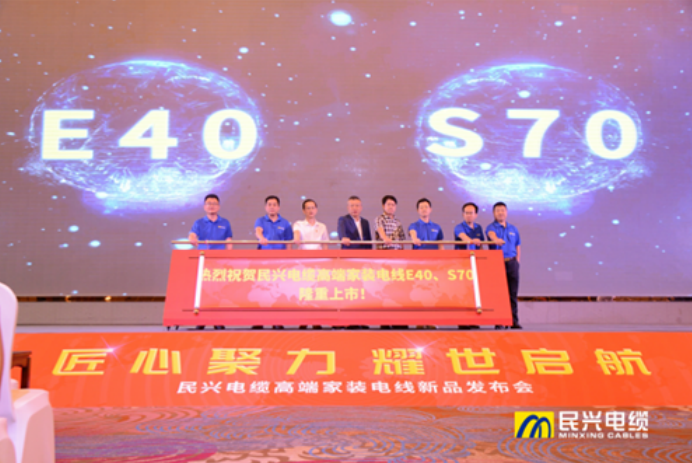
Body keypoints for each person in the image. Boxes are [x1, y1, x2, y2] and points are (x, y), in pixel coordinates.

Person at [188, 193, 232, 330]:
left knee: (218, 290)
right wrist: (192, 238)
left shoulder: (225, 223)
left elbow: (229, 241)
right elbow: (192, 234)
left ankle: (218, 320)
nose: (211, 206)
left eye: (214, 203)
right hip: (204, 261)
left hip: (219, 262)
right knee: (203, 290)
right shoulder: (199, 222)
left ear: (218, 206)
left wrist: (229, 258)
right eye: (209, 203)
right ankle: (201, 320)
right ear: (204, 206)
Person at [254, 195, 293, 329]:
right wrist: (261, 238)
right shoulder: (260, 220)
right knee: (261, 291)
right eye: (269, 204)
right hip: (263, 262)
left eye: (274, 204)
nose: (272, 207)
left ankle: (277, 321)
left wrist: (289, 260)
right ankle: (258, 322)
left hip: (280, 263)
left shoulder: (285, 223)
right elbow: (258, 231)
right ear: (266, 207)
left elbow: (289, 243)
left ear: (278, 207)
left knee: (278, 292)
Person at [293, 199, 328, 330]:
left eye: (313, 207)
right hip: (304, 264)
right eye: (308, 208)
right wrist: (296, 238)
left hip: (318, 264)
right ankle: (303, 320)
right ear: (304, 210)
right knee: (304, 292)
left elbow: (325, 245)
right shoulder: (298, 224)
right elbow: (296, 234)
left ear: (316, 209)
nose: (311, 210)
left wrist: (326, 263)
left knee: (317, 292)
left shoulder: (322, 226)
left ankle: (316, 321)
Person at [408, 198, 443, 330]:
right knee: (419, 292)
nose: (424, 209)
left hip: (434, 264)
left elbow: (441, 244)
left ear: (430, 209)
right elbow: (412, 233)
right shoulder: (414, 225)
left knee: (433, 292)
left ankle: (432, 320)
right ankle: (419, 320)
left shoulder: (437, 227)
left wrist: (443, 261)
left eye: (426, 207)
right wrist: (414, 238)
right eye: (421, 207)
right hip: (419, 264)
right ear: (418, 210)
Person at [486, 202, 522, 330]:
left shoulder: (513, 229)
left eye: (502, 210)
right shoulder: (491, 227)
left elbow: (518, 246)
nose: (500, 212)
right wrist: (496, 240)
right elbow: (491, 235)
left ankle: (513, 320)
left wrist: (517, 261)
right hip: (497, 263)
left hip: (512, 263)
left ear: (506, 212)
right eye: (498, 210)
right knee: (499, 294)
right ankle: (499, 321)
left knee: (513, 293)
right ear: (494, 213)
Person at [454, 202, 485, 330]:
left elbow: (481, 245)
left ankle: (473, 320)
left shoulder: (479, 228)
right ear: (463, 214)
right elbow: (463, 237)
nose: (469, 215)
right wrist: (472, 240)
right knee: (462, 292)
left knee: (474, 292)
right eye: (466, 213)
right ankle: (462, 321)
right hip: (462, 264)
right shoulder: (458, 227)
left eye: (471, 213)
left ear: (476, 215)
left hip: (475, 263)